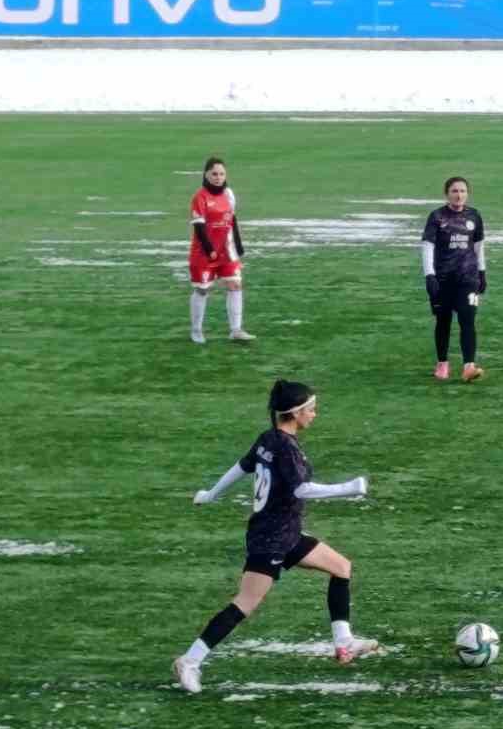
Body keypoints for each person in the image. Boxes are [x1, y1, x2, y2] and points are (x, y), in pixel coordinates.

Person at [173, 379, 375, 694]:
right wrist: (349, 488)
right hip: (270, 539)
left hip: (287, 533)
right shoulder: (287, 449)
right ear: (295, 413)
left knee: (341, 567)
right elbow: (301, 489)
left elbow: (241, 466)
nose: (315, 414)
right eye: (311, 409)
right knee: (245, 603)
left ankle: (344, 641)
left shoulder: (268, 439)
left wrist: (211, 494)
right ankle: (190, 660)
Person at [421, 176, 486, 383]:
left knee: (468, 319)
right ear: (447, 194)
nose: (459, 195)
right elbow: (428, 246)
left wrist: (482, 272)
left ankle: (469, 366)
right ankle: (442, 363)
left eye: (463, 191)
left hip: (468, 279)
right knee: (443, 321)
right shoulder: (437, 217)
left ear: (468, 193)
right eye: (455, 191)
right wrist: (429, 275)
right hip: (442, 279)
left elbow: (479, 246)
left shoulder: (474, 216)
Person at [189, 156, 252, 344]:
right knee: (202, 290)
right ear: (206, 175)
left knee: (235, 285)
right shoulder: (199, 197)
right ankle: (196, 330)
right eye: (214, 174)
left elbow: (232, 220)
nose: (218, 177)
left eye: (221, 174)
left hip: (226, 250)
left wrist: (238, 246)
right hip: (204, 253)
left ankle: (236, 330)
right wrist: (210, 251)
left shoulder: (229, 194)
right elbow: (199, 228)